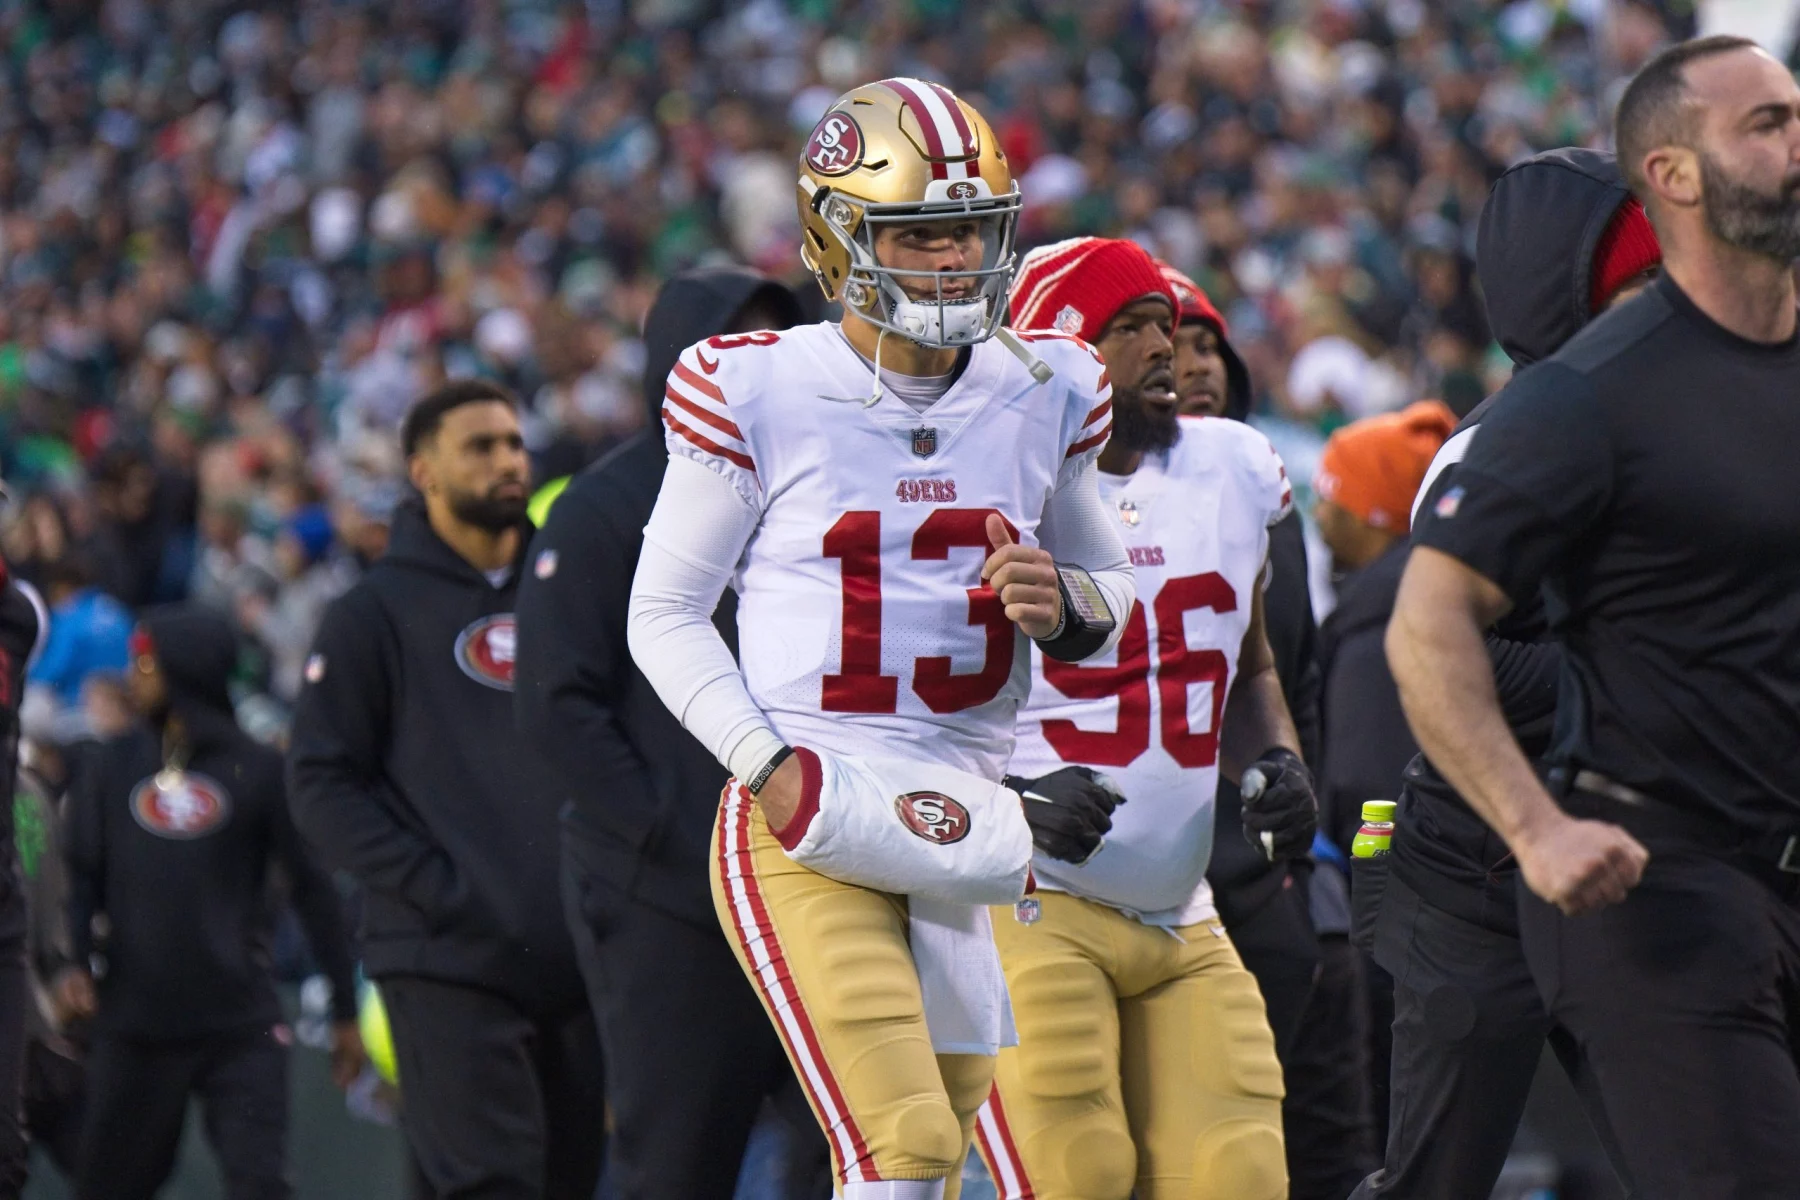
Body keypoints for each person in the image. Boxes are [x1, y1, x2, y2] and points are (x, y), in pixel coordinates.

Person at [626, 79, 1136, 1199]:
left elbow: (1109, 601)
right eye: (921, 234)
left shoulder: (1049, 385)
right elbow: (659, 615)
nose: (955, 261)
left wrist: (1064, 604)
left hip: (967, 816)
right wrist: (768, 768)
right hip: (815, 806)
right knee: (897, 1149)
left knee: (941, 1151)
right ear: (836, 234)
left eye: (972, 232)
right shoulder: (757, 385)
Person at [1387, 36, 1800, 1195]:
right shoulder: (1580, 402)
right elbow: (1422, 629)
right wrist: (1536, 827)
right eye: (1765, 124)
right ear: (1671, 180)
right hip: (1639, 873)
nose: (1796, 143)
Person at [1351, 145, 1658, 1200]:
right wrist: (1631, 676)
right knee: (1440, 1173)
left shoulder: (1692, 422)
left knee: (1718, 1160)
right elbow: (1438, 658)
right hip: (1477, 869)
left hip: (1642, 862)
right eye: (1645, 279)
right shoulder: (1498, 449)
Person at [970, 236, 1305, 1200]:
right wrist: (1009, 799)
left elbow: (1245, 670)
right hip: (1027, 900)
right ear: (1062, 347)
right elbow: (900, 712)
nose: (1167, 349)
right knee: (1074, 1171)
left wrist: (1277, 758)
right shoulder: (984, 485)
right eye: (1132, 328)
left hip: (1178, 905)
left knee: (1237, 1172)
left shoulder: (1237, 466)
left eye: (1167, 324)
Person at [514, 266, 832, 1199]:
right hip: (671, 906)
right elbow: (557, 705)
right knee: (680, 1162)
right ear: (677, 361)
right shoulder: (603, 506)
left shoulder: (821, 488)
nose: (758, 363)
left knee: (851, 1156)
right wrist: (664, 831)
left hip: (819, 881)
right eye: (735, 341)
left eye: (777, 342)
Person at [288, 380, 603, 1200]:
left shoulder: (569, 594)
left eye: (514, 444)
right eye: (480, 446)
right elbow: (319, 782)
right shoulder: (370, 614)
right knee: (492, 1186)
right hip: (447, 960)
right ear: (422, 470)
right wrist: (440, 888)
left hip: (577, 959)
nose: (507, 461)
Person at [1163, 266, 1375, 1199]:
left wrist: (1302, 828)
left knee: (1284, 1133)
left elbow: (1297, 678)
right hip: (1131, 871)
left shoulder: (1265, 506)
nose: (1196, 364)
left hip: (1263, 871)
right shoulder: (1063, 494)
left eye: (1209, 344)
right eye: (1170, 345)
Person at [58, 606, 362, 1200]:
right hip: (136, 1020)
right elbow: (82, 877)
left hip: (239, 1025)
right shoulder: (111, 765)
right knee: (106, 1187)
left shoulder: (260, 768)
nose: (133, 676)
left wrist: (347, 1010)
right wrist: (73, 963)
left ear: (185, 668)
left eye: (145, 662)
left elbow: (313, 891)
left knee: (260, 1184)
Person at [1312, 400, 1456, 855]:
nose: (1318, 515)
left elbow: (1365, 785)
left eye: (1330, 498)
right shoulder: (1411, 597)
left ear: (1367, 514)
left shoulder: (1378, 632)